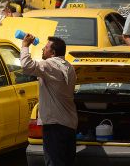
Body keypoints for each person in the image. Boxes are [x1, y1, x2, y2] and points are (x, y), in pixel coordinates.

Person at [20, 35, 77, 166]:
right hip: (69, 125)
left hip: (54, 125)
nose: (42, 49)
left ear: (53, 53)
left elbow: (26, 66)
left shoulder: (50, 65)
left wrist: (25, 45)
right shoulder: (69, 67)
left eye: (45, 48)